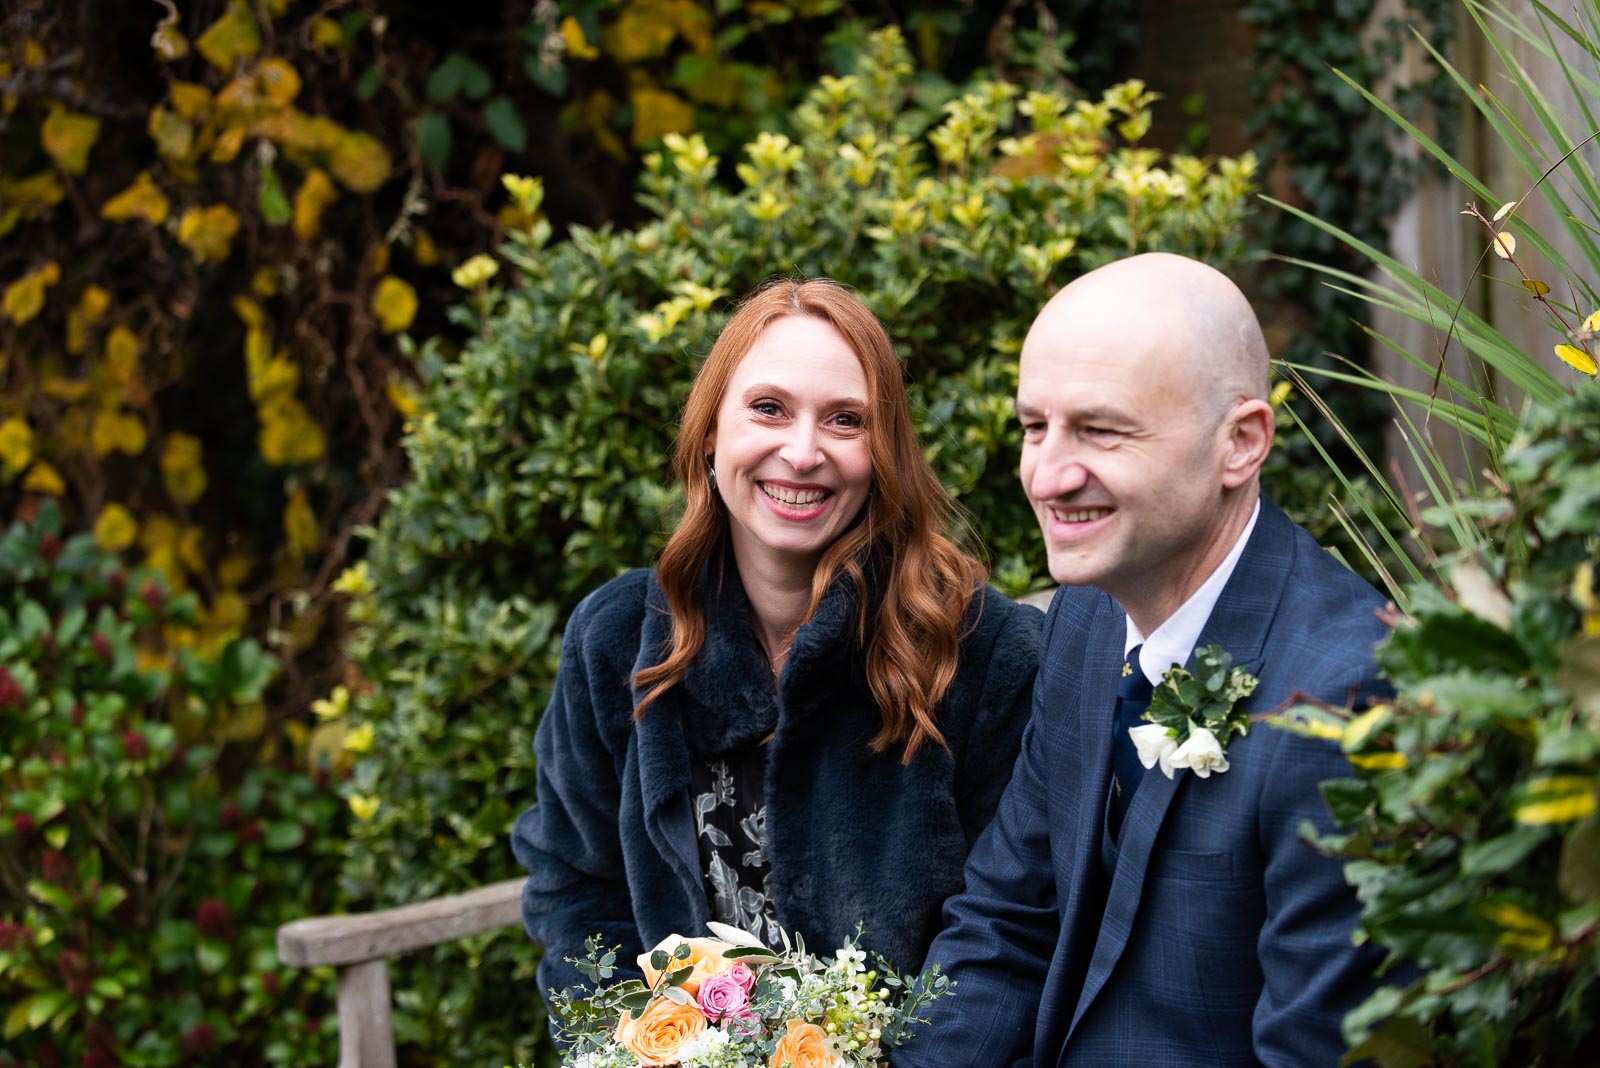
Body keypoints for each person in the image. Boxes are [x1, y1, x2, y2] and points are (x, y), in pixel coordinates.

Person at [894, 253, 1391, 1067]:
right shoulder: (1089, 617)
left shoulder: (1345, 696)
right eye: (1033, 426)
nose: (1048, 475)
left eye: (1100, 429)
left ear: (1241, 443)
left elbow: (1312, 1052)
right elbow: (1005, 922)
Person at [510, 278, 1042, 1009]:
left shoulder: (984, 651)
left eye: (846, 420)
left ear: (883, 452)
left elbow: (1004, 935)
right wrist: (626, 1046)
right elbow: (576, 890)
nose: (801, 452)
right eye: (768, 409)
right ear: (709, 434)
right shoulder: (615, 641)